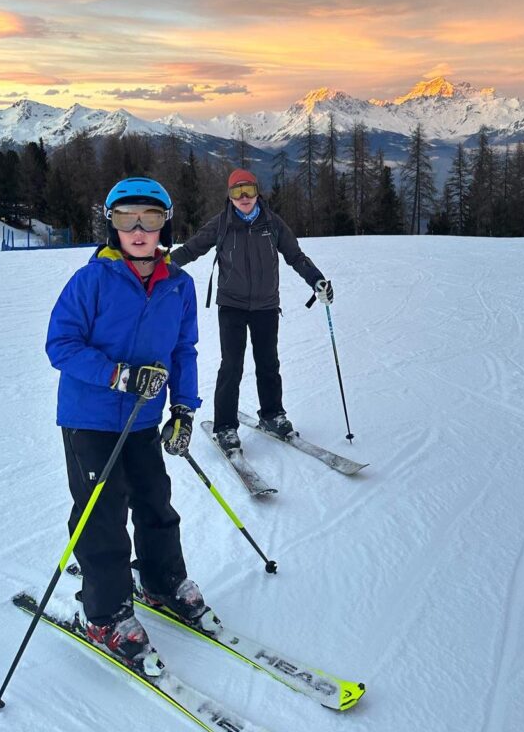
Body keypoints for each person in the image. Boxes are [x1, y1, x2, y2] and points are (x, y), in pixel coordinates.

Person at [46, 177, 203, 672]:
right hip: (89, 419)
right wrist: (118, 375)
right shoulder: (90, 280)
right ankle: (106, 612)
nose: (138, 229)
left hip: (142, 419)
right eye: (126, 218)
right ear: (111, 225)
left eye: (150, 219)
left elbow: (182, 351)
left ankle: (160, 581)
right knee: (101, 512)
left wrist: (183, 409)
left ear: (165, 225)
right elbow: (61, 346)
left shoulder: (179, 283)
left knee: (155, 498)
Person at [171, 168, 333, 453]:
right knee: (231, 366)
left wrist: (316, 279)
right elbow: (191, 249)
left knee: (269, 363)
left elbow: (295, 255)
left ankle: (272, 415)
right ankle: (225, 427)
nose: (244, 197)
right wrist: (159, 267)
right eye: (237, 192)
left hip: (266, 306)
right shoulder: (221, 223)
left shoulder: (272, 222)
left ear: (258, 192)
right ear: (230, 196)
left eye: (248, 191)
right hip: (231, 305)